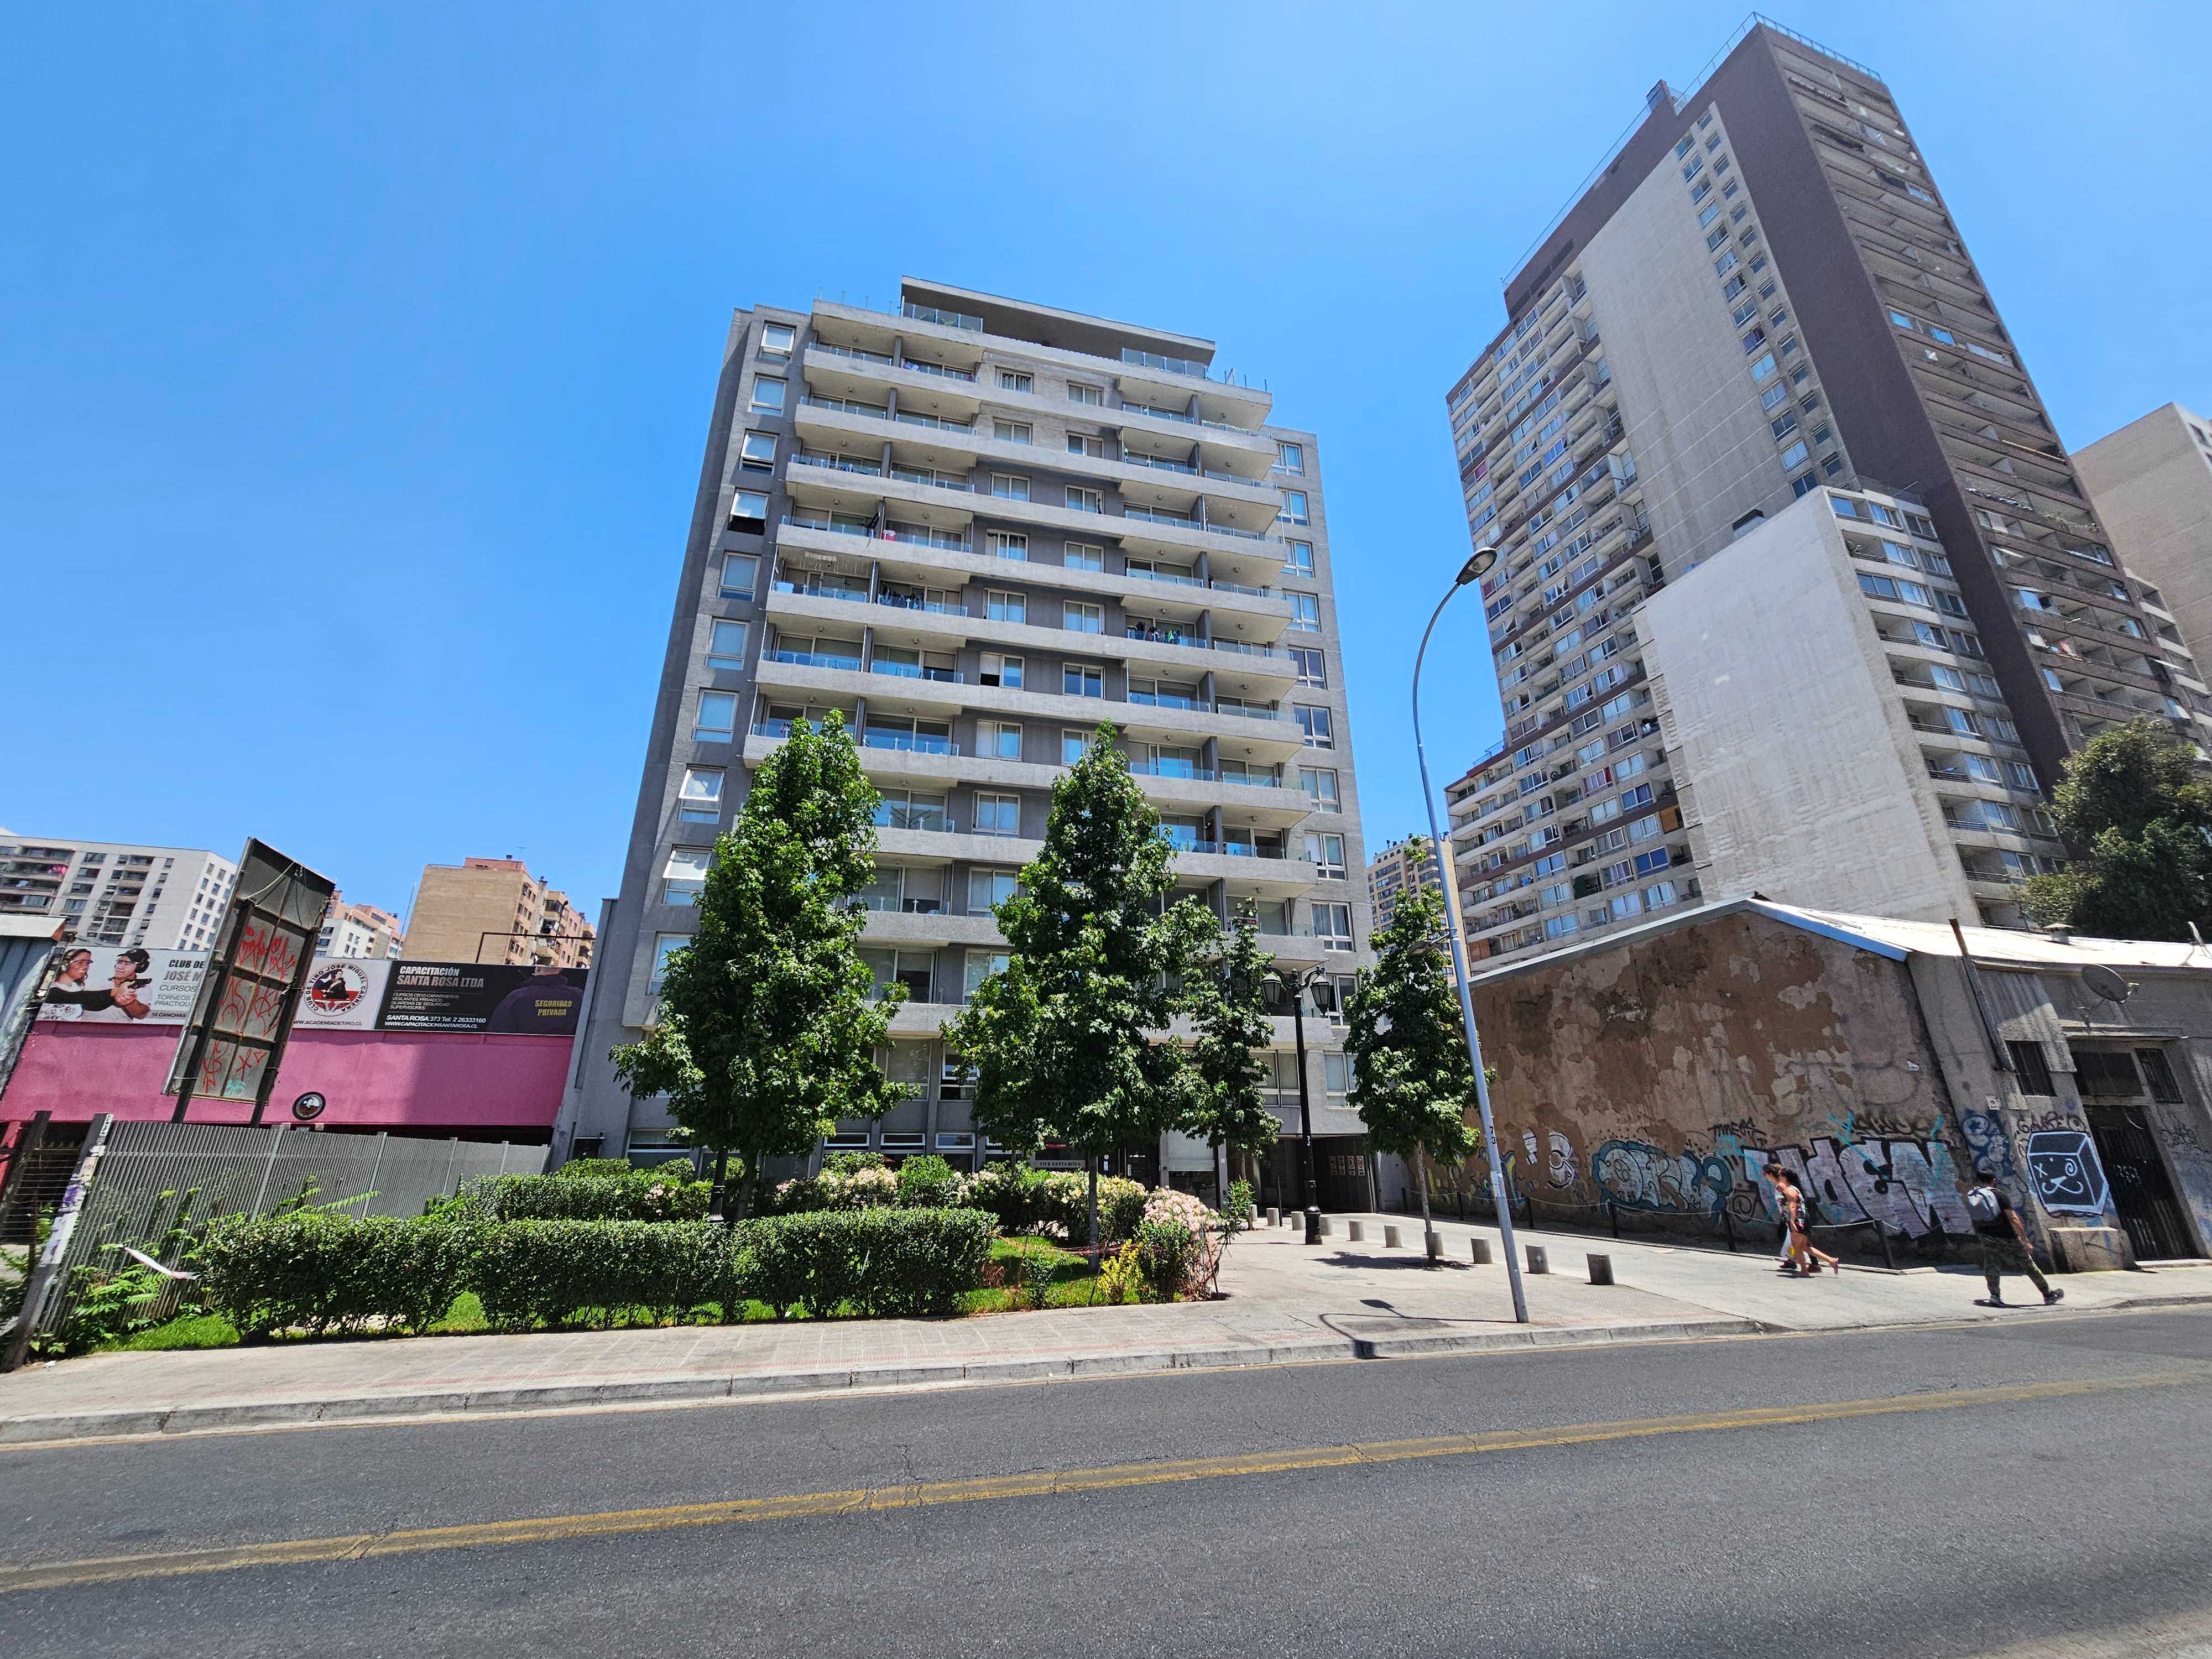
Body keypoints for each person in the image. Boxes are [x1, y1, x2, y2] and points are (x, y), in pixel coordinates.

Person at [1966, 1167, 2063, 1308]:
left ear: (1979, 1181)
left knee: (1992, 1264)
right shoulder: (2000, 1196)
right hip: (2007, 1237)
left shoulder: (1974, 1196)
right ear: (1994, 1180)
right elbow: (2013, 1218)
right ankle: (2048, 1295)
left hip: (1986, 1236)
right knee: (2028, 1265)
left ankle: (1995, 1295)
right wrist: (2025, 1240)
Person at [1781, 1167, 1841, 1276]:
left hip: (1798, 1220)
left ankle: (1804, 1271)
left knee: (1797, 1247)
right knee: (1805, 1247)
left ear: (1785, 1178)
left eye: (1780, 1176)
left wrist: (1792, 1221)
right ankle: (1832, 1261)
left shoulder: (1789, 1190)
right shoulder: (1795, 1188)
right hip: (1803, 1219)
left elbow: (1793, 1206)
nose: (1779, 1178)